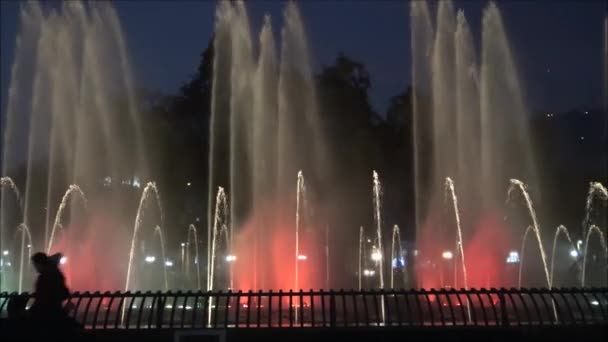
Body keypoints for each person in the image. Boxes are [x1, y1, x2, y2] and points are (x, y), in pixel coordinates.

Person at [28, 252, 70, 325]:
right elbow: (64, 293)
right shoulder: (56, 273)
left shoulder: (44, 276)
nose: (35, 268)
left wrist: (31, 311)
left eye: (35, 265)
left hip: (46, 314)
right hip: (56, 311)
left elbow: (42, 298)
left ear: (40, 263)